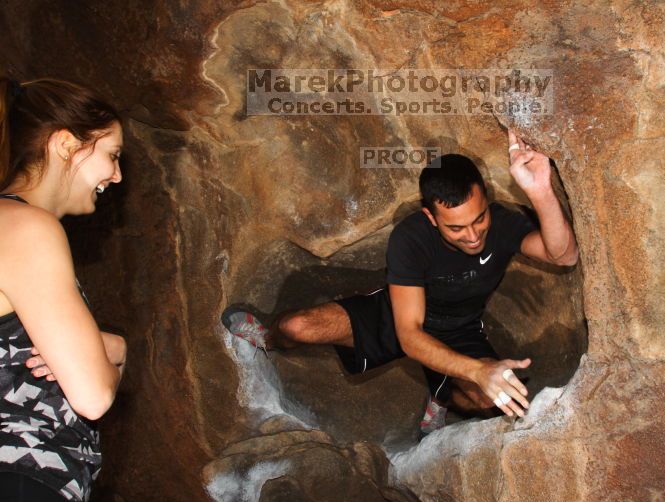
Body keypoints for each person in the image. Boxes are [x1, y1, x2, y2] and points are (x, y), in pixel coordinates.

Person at [222, 130, 578, 436]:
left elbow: (563, 256)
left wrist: (540, 189)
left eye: (479, 218)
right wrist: (477, 369)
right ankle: (268, 338)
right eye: (455, 228)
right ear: (431, 217)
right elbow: (409, 335)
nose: (472, 235)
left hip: (461, 327)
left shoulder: (501, 224)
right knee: (295, 326)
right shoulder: (411, 238)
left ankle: (443, 395)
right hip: (398, 316)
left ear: (486, 198)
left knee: (495, 397)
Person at [0, 77, 127, 502]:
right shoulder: (25, 228)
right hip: (20, 481)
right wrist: (114, 353)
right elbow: (93, 396)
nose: (117, 176)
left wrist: (107, 346)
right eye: (111, 155)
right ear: (66, 144)